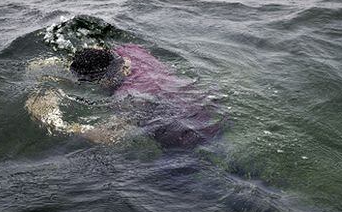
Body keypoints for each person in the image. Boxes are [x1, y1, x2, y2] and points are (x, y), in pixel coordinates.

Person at [26, 44, 220, 148]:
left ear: (103, 81)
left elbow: (107, 137)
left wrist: (56, 124)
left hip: (186, 140)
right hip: (210, 112)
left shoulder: (128, 96)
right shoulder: (131, 50)